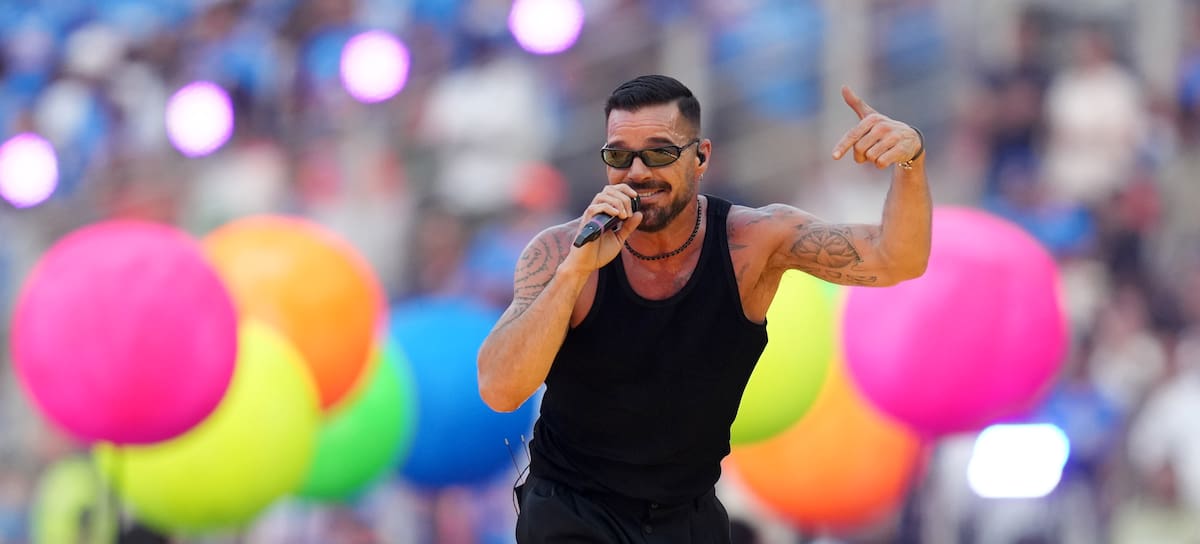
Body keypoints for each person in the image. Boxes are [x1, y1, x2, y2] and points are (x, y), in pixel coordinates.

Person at [476, 74, 931, 543]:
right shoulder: (560, 252)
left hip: (686, 511)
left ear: (701, 158)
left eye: (659, 153)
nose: (637, 172)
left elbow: (895, 260)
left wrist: (911, 162)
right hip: (572, 508)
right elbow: (499, 390)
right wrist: (576, 270)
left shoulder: (752, 242)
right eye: (618, 156)